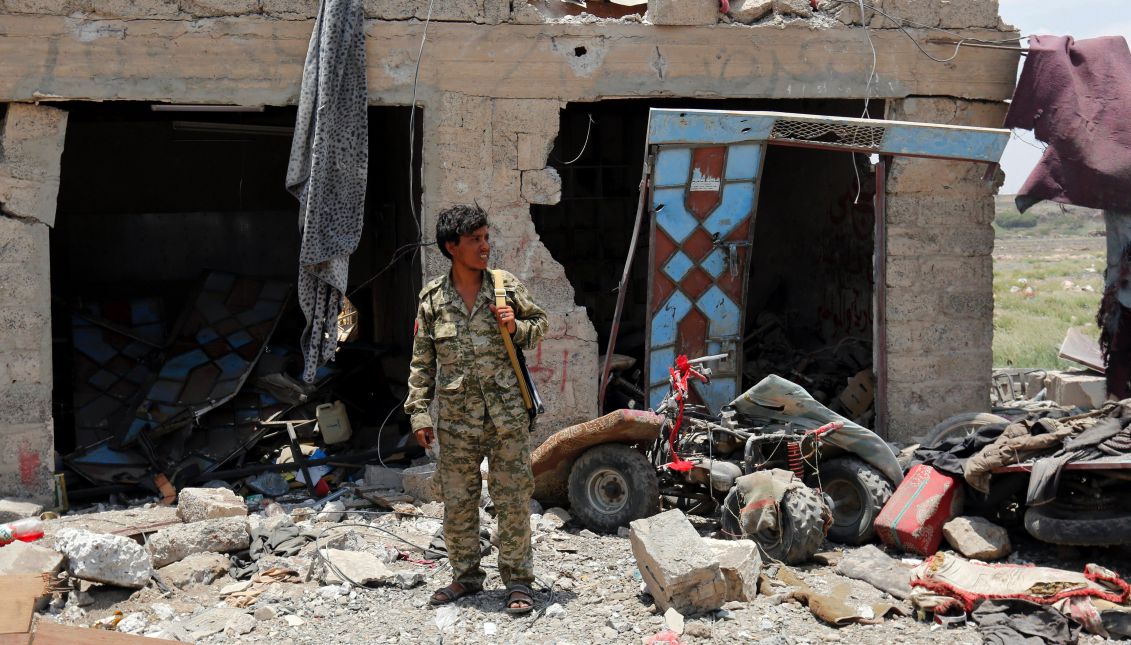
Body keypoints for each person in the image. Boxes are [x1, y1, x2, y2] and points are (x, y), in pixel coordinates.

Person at [404, 204, 549, 615]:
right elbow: (422, 362)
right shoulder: (432, 299)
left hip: (506, 419)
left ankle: (519, 581)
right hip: (456, 422)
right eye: (475, 240)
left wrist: (516, 327)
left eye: (486, 237)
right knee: (458, 501)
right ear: (452, 247)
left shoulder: (504, 287)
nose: (486, 246)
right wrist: (418, 413)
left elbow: (540, 324)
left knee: (513, 500)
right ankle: (466, 578)